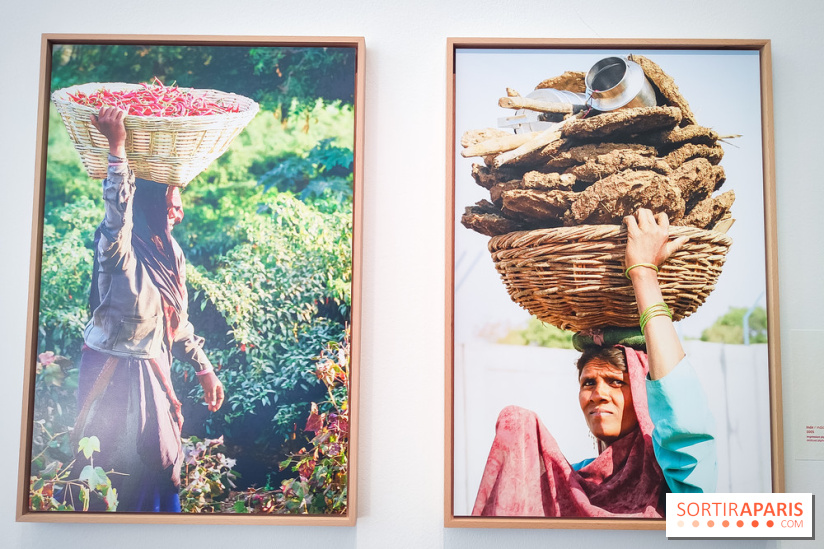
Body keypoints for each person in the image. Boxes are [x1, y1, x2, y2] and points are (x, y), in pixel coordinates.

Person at [472, 208, 717, 518]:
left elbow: (682, 419)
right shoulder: (562, 486)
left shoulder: (674, 482)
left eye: (616, 381)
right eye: (588, 382)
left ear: (646, 395)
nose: (598, 394)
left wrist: (643, 272)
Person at [70, 106, 225, 512]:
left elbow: (176, 321)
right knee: (109, 474)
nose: (179, 212)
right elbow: (117, 214)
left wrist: (204, 367)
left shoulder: (170, 253)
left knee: (157, 471)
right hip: (113, 380)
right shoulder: (116, 251)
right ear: (150, 204)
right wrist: (117, 148)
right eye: (172, 203)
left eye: (179, 203)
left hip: (153, 374)